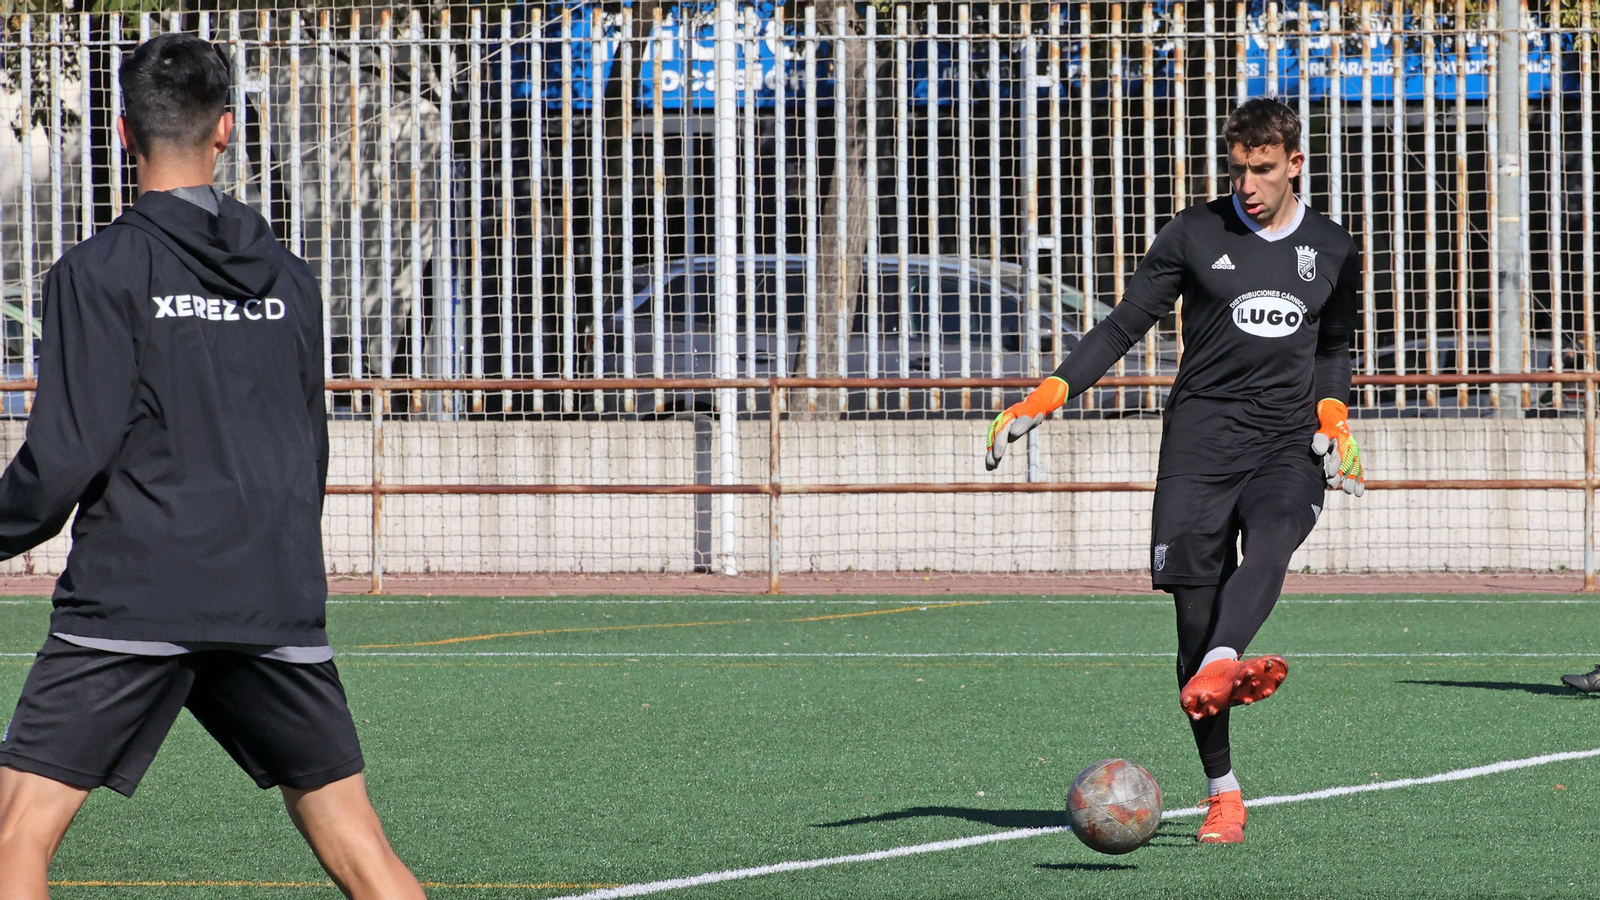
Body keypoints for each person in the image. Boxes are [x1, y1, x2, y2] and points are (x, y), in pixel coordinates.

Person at [0, 35, 425, 899]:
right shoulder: (291, 280)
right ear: (226, 128)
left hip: (138, 595)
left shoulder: (98, 272)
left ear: (123, 131)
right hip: (272, 591)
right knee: (361, 847)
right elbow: (308, 447)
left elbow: (65, 457)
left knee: (16, 835)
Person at [985, 97, 1365, 845]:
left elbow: (1333, 347)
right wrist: (1050, 393)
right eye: (1238, 169)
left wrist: (1334, 417)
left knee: (1277, 531)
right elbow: (1125, 324)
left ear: (1294, 164)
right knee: (1194, 619)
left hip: (1285, 441)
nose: (1248, 185)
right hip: (1199, 446)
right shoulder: (1194, 232)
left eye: (1263, 169)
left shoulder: (1332, 247)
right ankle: (1224, 788)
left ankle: (1225, 660)